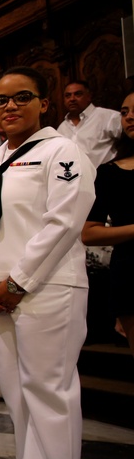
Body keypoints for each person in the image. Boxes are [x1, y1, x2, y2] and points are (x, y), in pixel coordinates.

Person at [0, 66, 94, 459]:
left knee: (49, 394)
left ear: (43, 103)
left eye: (22, 97)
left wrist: (17, 282)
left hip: (47, 290)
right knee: (18, 397)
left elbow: (65, 221)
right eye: (1, 100)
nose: (11, 106)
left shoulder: (63, 152)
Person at [82, 91, 134, 355]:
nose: (129, 117)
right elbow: (89, 233)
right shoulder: (109, 172)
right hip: (130, 268)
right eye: (124, 112)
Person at [57, 80, 122, 167]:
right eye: (68, 96)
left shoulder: (109, 117)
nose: (72, 99)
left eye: (78, 94)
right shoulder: (61, 128)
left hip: (105, 174)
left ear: (89, 96)